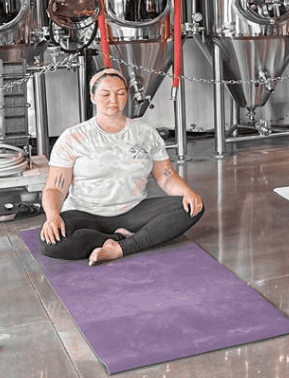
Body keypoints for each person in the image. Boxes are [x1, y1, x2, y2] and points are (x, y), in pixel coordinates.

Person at [40, 68, 204, 266]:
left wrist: (188, 192)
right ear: (93, 97)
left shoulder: (145, 133)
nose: (113, 100)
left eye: (120, 93)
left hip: (133, 211)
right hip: (85, 212)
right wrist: (52, 217)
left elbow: (165, 176)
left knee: (191, 208)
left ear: (127, 95)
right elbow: (55, 187)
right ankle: (119, 239)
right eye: (105, 94)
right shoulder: (73, 137)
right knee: (51, 244)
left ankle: (120, 248)